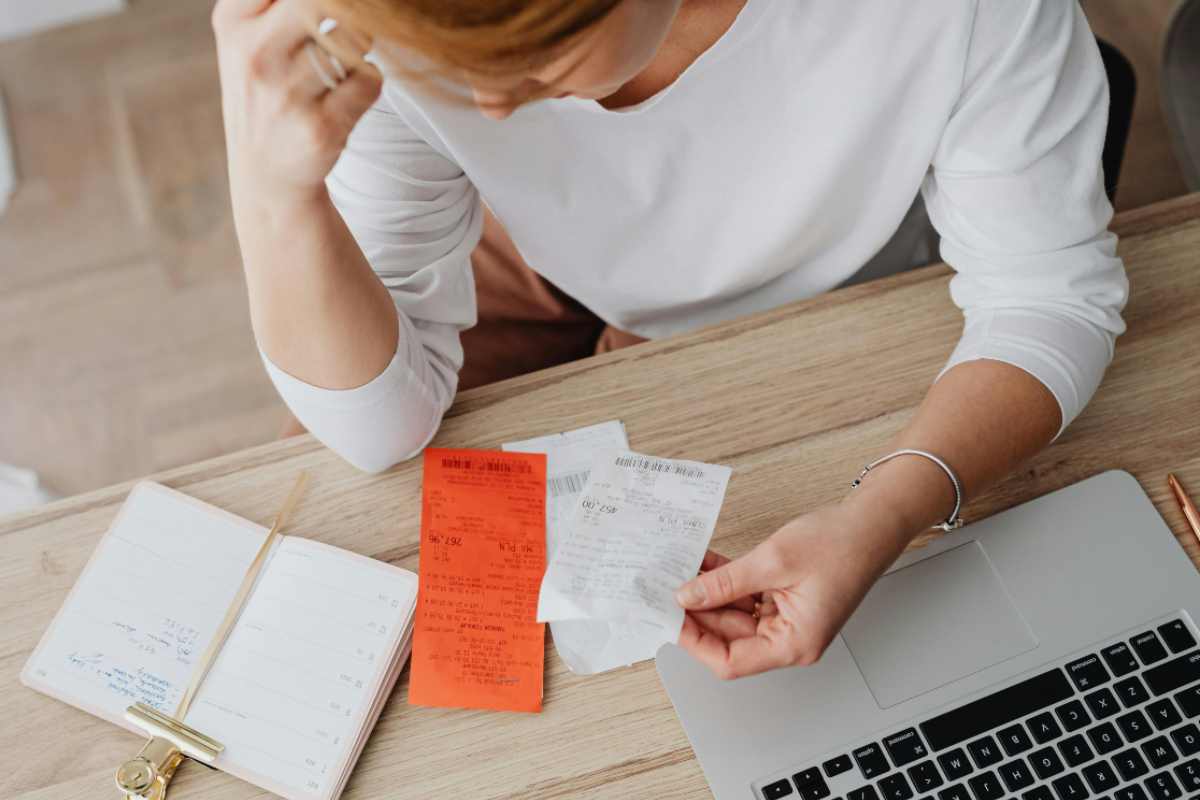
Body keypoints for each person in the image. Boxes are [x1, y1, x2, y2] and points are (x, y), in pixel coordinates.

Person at [211, 0, 1128, 681]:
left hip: (823, 264)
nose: (488, 109)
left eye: (536, 55)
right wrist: (269, 191)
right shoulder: (386, 25)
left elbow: (1050, 299)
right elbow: (378, 431)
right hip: (517, 237)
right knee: (321, 490)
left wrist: (886, 512)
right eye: (453, 67)